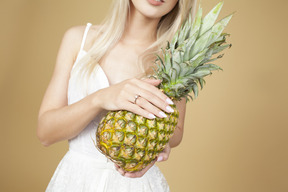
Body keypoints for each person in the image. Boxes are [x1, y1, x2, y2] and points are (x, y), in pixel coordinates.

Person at [37, 0, 197, 191]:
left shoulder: (175, 60)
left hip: (137, 184)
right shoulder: (79, 39)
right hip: (76, 180)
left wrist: (154, 143)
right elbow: (45, 132)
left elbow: (176, 131)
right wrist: (101, 98)